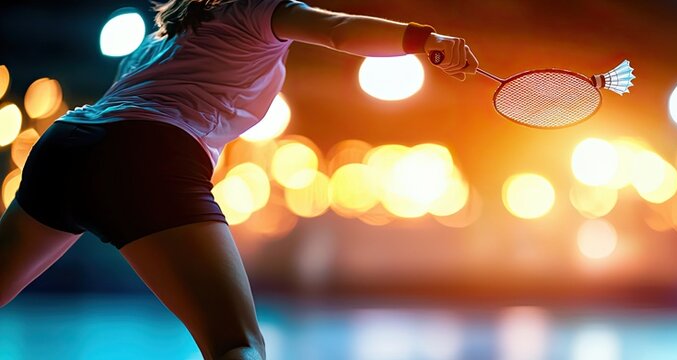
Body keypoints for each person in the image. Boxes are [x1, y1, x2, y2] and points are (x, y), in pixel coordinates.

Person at [0, 0, 478, 359]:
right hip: (146, 151)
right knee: (237, 344)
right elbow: (339, 31)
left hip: (65, 145)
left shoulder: (164, 32)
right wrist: (424, 40)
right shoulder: (259, 5)